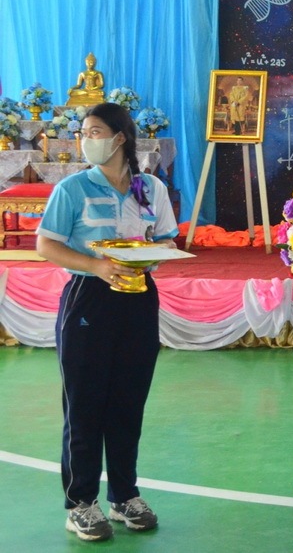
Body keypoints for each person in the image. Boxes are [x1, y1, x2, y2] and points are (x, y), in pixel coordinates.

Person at [35, 102, 179, 542]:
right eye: (84, 132)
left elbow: (166, 238)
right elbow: (46, 245)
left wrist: (154, 255)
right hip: (88, 299)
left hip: (139, 298)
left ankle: (124, 496)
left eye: (95, 131)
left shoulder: (149, 188)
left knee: (128, 403)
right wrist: (96, 266)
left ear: (119, 138)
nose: (86, 139)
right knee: (84, 406)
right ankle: (80, 502)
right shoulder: (73, 188)